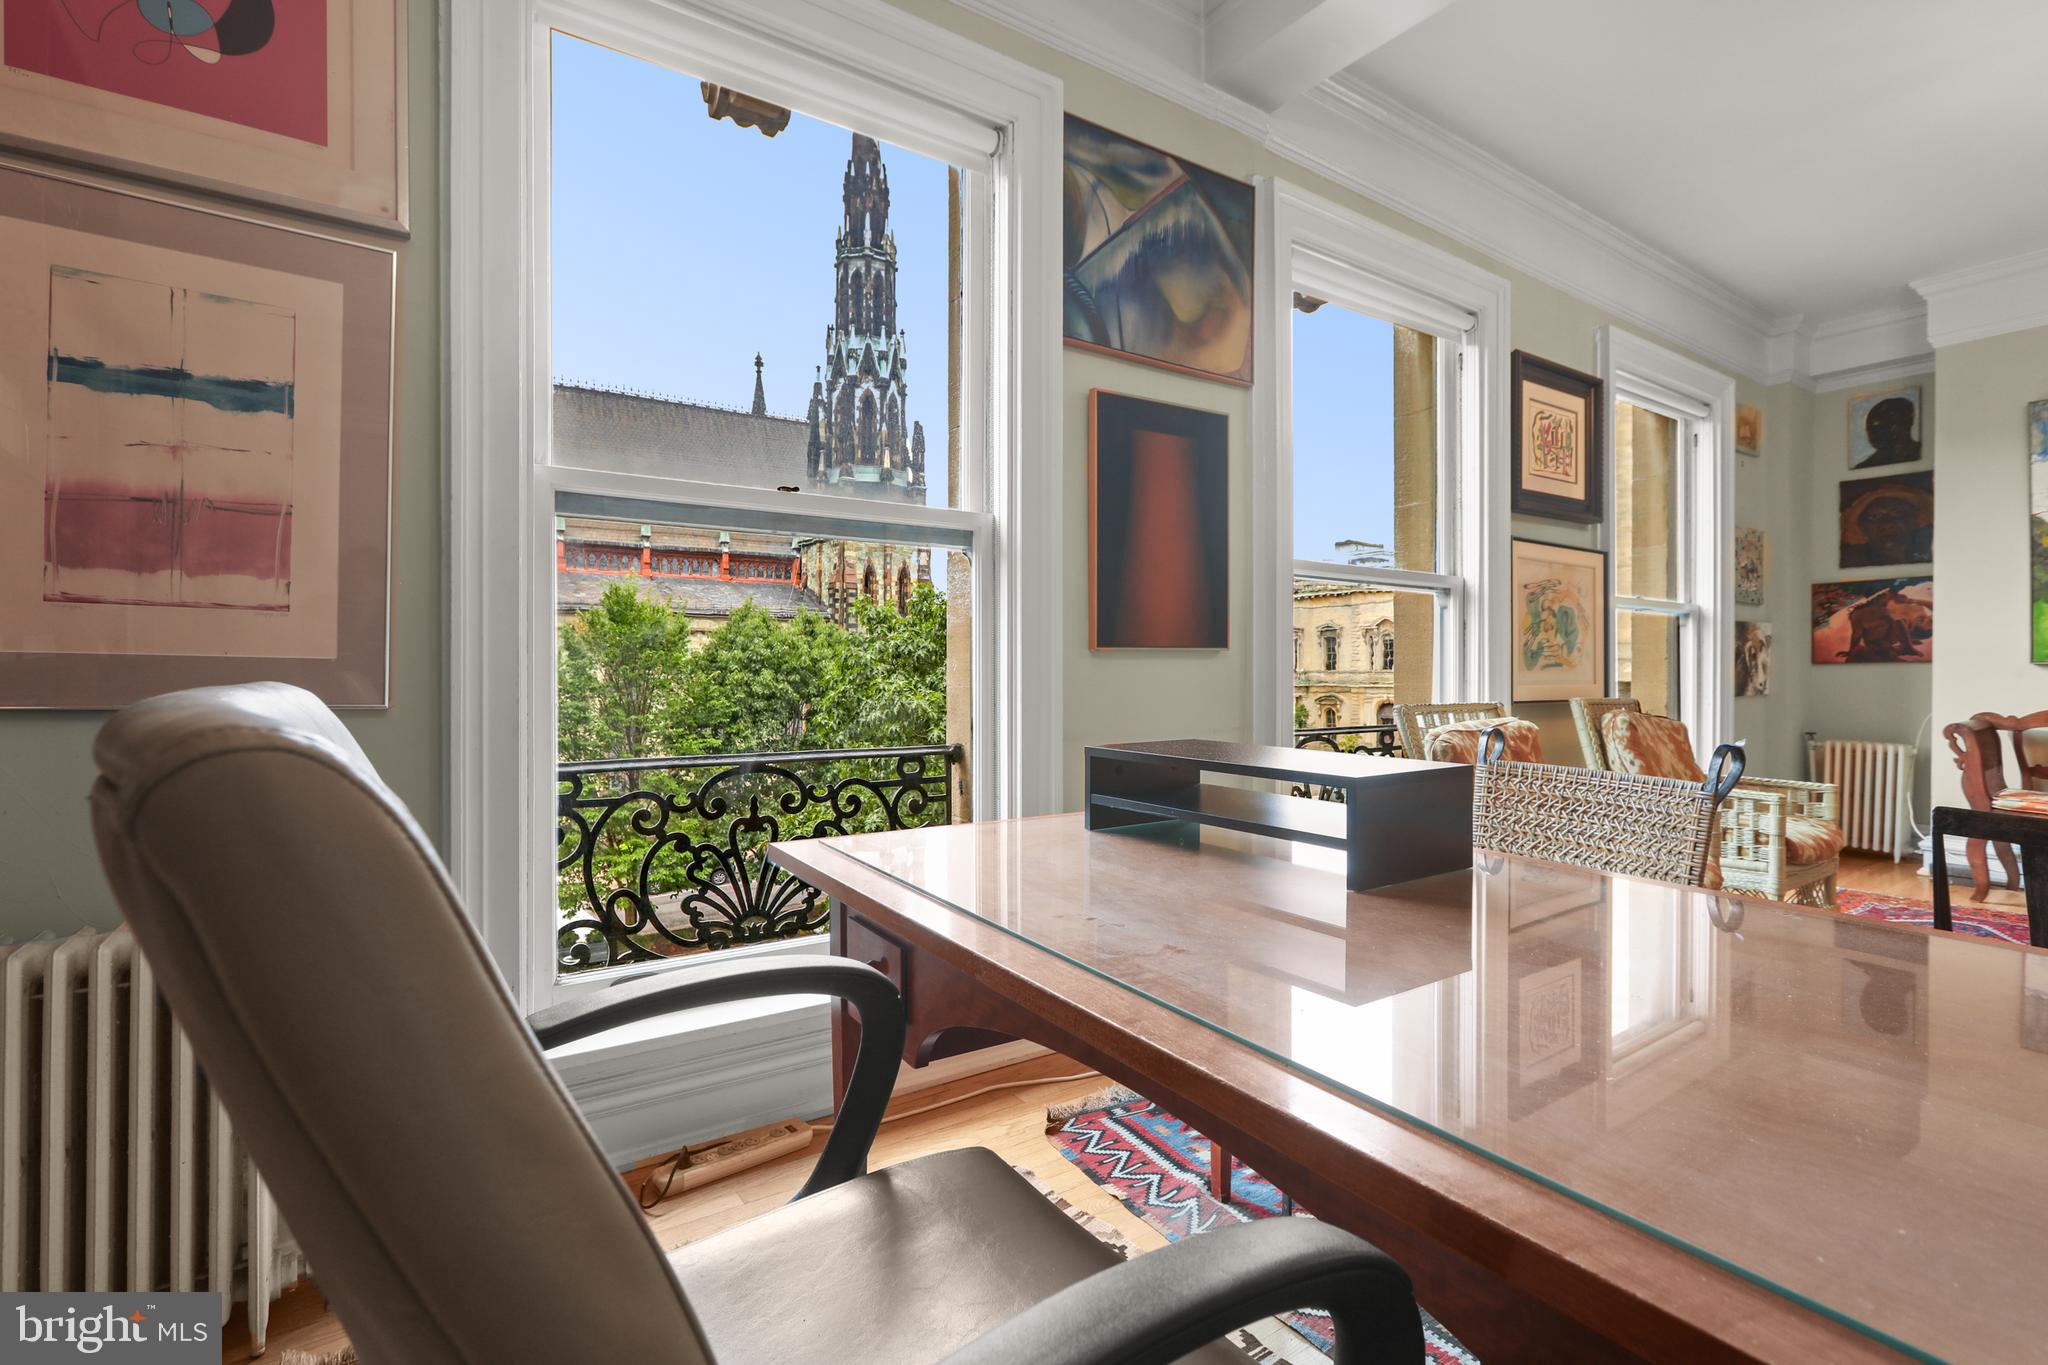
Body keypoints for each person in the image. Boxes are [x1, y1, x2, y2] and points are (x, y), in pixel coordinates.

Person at [1859, 395, 1921, 466]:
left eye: (1890, 423)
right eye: (1871, 427)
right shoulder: (1867, 465)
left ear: (1907, 422)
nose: (1872, 432)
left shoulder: (1925, 451)